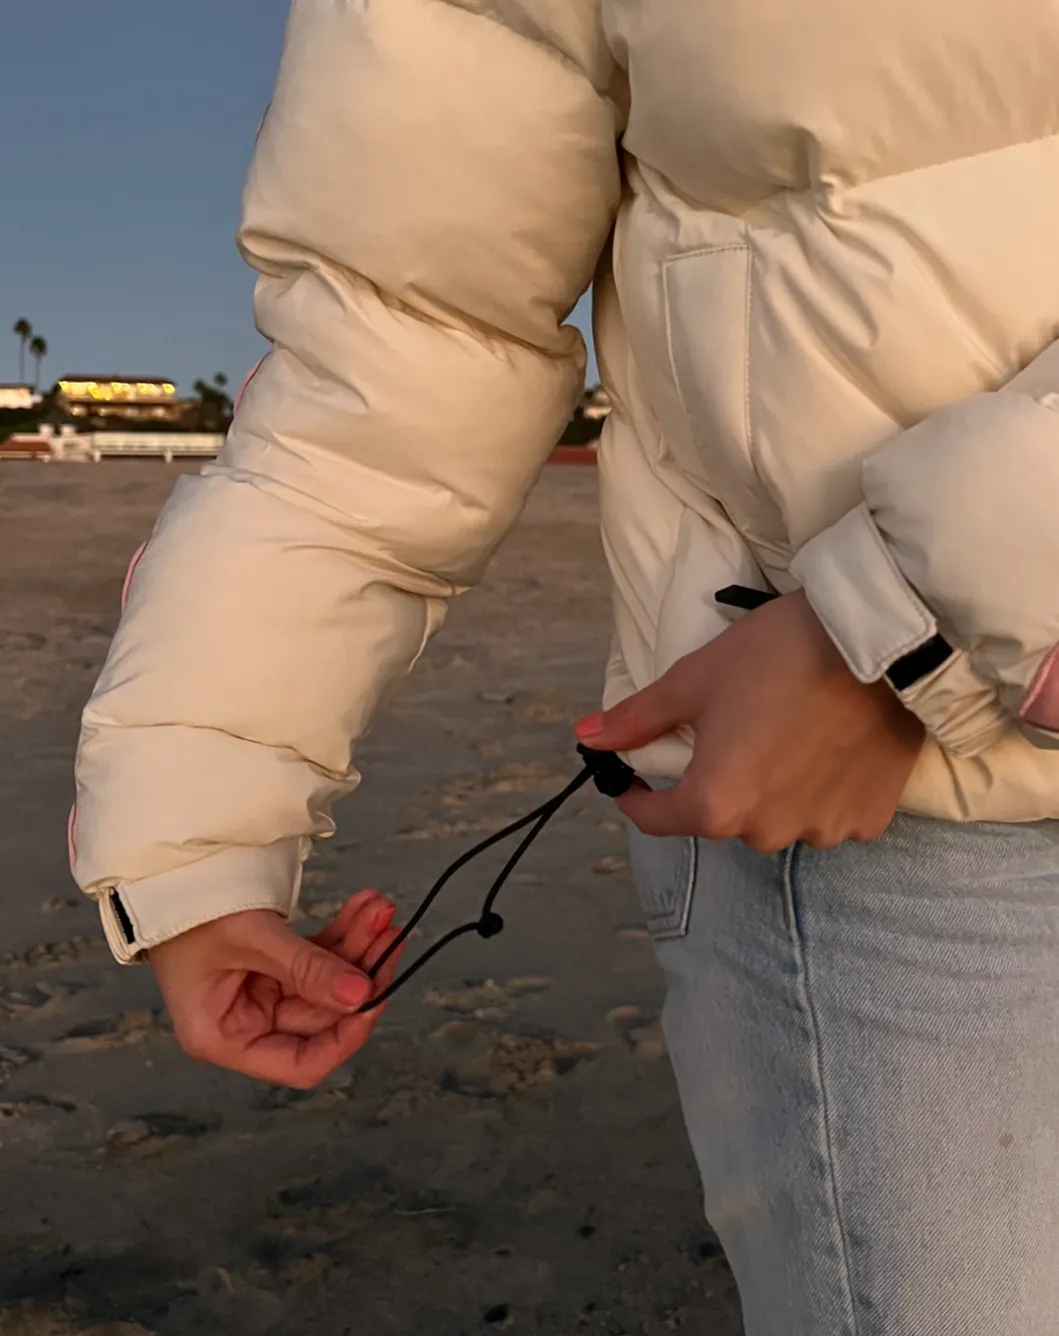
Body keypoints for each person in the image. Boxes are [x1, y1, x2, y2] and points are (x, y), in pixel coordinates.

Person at [71, 2, 1059, 1331]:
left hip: (865, 684)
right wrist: (194, 829)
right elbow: (399, 347)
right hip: (883, 815)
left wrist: (910, 605)